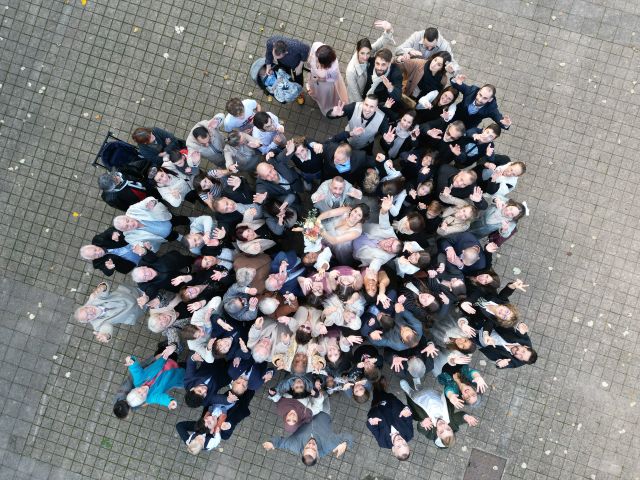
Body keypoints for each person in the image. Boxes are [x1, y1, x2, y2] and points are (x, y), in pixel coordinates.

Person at [400, 382, 478, 448]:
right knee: (424, 390)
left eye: (441, 431)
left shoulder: (431, 434)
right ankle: (418, 386)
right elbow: (460, 418)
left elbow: (421, 430)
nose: (443, 426)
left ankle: (409, 391)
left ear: (437, 434)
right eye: (448, 429)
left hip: (418, 402)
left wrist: (422, 424)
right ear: (451, 428)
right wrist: (466, 417)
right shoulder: (452, 422)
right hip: (433, 395)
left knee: (413, 395)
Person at [263, 412, 352, 466]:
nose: (311, 444)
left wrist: (272, 443)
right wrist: (345, 443)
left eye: (307, 448)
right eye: (313, 449)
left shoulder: (295, 445)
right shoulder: (329, 445)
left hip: (303, 414)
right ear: (317, 454)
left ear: (302, 451)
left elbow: (281, 443)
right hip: (323, 412)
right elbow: (348, 436)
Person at [74, 282, 145, 343]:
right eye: (88, 316)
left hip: (132, 293)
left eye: (87, 310)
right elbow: (106, 328)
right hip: (135, 311)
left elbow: (104, 290)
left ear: (86, 306)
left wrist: (102, 287)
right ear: (88, 321)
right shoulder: (97, 325)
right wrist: (106, 335)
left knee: (147, 288)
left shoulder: (94, 298)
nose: (90, 312)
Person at [346, 20, 395, 103]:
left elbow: (380, 42)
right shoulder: (351, 71)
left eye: (368, 53)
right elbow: (354, 92)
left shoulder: (367, 51)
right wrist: (363, 104)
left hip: (366, 88)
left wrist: (388, 30)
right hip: (357, 98)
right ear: (357, 51)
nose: (365, 57)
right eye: (362, 53)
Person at [124, 345, 184, 409]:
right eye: (142, 396)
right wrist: (170, 402)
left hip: (165, 360)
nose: (143, 391)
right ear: (144, 400)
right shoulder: (151, 397)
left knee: (174, 354)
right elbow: (161, 399)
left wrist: (131, 362)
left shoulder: (138, 381)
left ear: (135, 389)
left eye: (139, 392)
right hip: (175, 375)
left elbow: (136, 370)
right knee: (185, 370)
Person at [353, 195, 403, 272]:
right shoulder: (389, 233)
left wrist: (371, 273)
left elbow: (376, 264)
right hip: (359, 228)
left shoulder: (383, 256)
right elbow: (385, 222)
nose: (388, 245)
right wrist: (384, 210)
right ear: (392, 238)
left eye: (390, 248)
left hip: (351, 249)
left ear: (390, 253)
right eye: (391, 242)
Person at [113, 197, 181, 252]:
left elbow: (144, 202)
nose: (130, 223)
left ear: (127, 216)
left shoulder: (132, 210)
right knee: (174, 236)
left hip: (167, 219)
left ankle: (189, 220)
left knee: (181, 220)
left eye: (127, 220)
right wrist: (144, 249)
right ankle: (179, 237)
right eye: (127, 227)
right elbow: (141, 247)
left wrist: (151, 202)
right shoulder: (129, 237)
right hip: (166, 235)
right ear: (125, 230)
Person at [366, 381, 414, 460]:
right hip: (392, 401)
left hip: (377, 407)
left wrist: (371, 422)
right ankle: (381, 386)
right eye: (405, 444)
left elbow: (373, 428)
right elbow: (408, 418)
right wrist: (407, 411)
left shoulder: (383, 442)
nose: (401, 441)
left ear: (393, 449)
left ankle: (376, 387)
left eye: (398, 446)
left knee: (376, 395)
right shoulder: (409, 434)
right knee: (384, 393)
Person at [306, 42, 348, 115]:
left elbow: (331, 79)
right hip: (314, 78)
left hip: (325, 85)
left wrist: (319, 79)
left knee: (324, 96)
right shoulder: (316, 45)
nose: (317, 63)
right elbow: (311, 55)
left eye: (319, 62)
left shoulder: (333, 68)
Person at [265, 35, 310, 101]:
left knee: (298, 78)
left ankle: (298, 92)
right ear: (274, 45)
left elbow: (306, 49)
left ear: (286, 52)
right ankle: (289, 88)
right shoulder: (270, 42)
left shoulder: (296, 46)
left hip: (296, 64)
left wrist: (300, 66)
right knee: (284, 76)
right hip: (283, 63)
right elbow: (268, 53)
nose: (274, 58)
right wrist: (268, 65)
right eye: (274, 55)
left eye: (278, 57)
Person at [395, 27, 459, 73]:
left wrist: (452, 69)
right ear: (423, 38)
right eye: (426, 45)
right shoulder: (416, 36)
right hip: (411, 66)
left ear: (437, 40)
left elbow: (454, 65)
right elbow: (397, 50)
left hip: (428, 72)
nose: (429, 49)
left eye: (432, 47)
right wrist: (409, 51)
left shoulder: (444, 46)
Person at [362, 49, 403, 117]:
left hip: (383, 105)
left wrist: (390, 87)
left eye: (383, 65)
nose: (379, 68)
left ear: (389, 64)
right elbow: (363, 53)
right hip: (367, 97)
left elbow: (398, 97)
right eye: (377, 63)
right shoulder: (372, 62)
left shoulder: (396, 74)